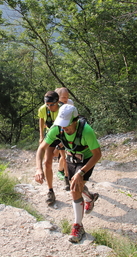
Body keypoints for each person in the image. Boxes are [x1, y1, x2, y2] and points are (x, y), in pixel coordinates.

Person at [35, 104, 101, 243]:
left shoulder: (86, 131)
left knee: (75, 189)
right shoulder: (57, 128)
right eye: (62, 124)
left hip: (86, 160)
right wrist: (38, 169)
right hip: (70, 159)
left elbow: (97, 154)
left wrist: (82, 172)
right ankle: (90, 197)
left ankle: (78, 226)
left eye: (67, 125)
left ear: (75, 121)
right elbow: (41, 149)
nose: (64, 128)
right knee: (76, 186)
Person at [38, 91, 61, 205]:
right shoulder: (43, 109)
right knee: (47, 162)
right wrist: (41, 136)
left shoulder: (63, 110)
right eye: (48, 104)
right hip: (51, 135)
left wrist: (58, 147)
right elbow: (42, 120)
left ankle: (69, 180)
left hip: (64, 135)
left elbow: (67, 128)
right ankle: (50, 190)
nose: (50, 107)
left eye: (52, 104)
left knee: (67, 160)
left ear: (57, 102)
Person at [54, 87, 74, 190]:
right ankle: (64, 174)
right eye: (63, 97)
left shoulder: (70, 103)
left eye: (67, 97)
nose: (66, 99)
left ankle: (63, 171)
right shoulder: (55, 105)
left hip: (68, 131)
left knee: (67, 154)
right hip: (58, 132)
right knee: (64, 155)